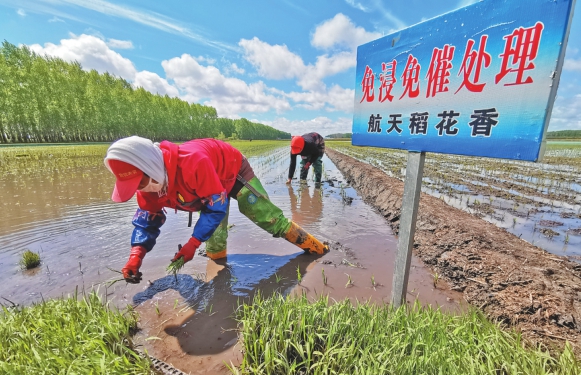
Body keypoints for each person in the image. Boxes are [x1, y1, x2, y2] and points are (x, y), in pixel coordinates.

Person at [104, 136, 328, 283]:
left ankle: (317, 249)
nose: (140, 190)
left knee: (265, 216)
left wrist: (192, 244)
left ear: (150, 167)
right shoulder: (147, 186)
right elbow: (147, 220)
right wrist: (136, 255)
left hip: (232, 171)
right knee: (215, 239)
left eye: (140, 183)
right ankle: (219, 279)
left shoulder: (192, 163)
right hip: (209, 189)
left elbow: (215, 208)